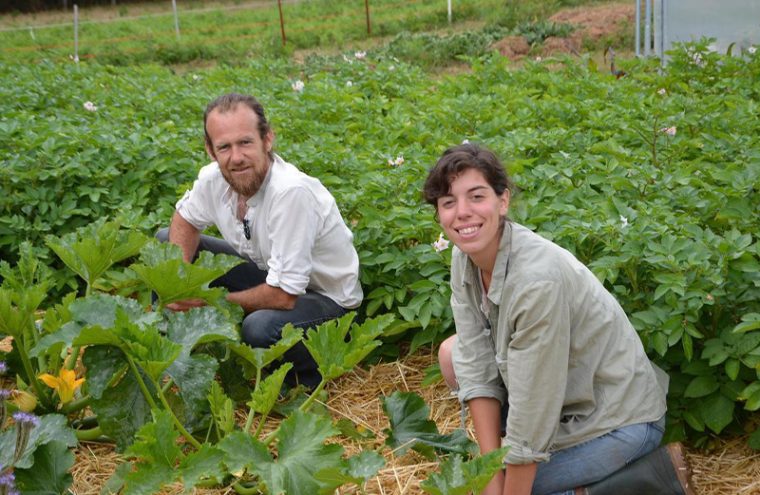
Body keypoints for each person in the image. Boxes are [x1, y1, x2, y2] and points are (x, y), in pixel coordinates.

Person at [423, 143, 694, 495]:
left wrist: (503, 487)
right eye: (448, 202)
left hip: (613, 420)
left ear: (502, 201)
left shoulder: (536, 280)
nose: (462, 213)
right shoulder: (465, 258)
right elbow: (475, 360)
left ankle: (654, 480)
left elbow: (534, 409)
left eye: (476, 196)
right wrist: (489, 473)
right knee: (453, 355)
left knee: (506, 487)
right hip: (554, 400)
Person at [158, 93, 363, 389]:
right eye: (224, 147)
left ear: (267, 139)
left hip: (328, 304)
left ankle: (304, 378)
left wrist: (208, 304)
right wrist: (177, 284)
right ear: (210, 151)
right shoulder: (213, 179)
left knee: (259, 328)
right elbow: (184, 220)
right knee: (167, 245)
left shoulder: (290, 193)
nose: (236, 157)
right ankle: (174, 355)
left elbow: (283, 295)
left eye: (245, 142)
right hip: (271, 274)